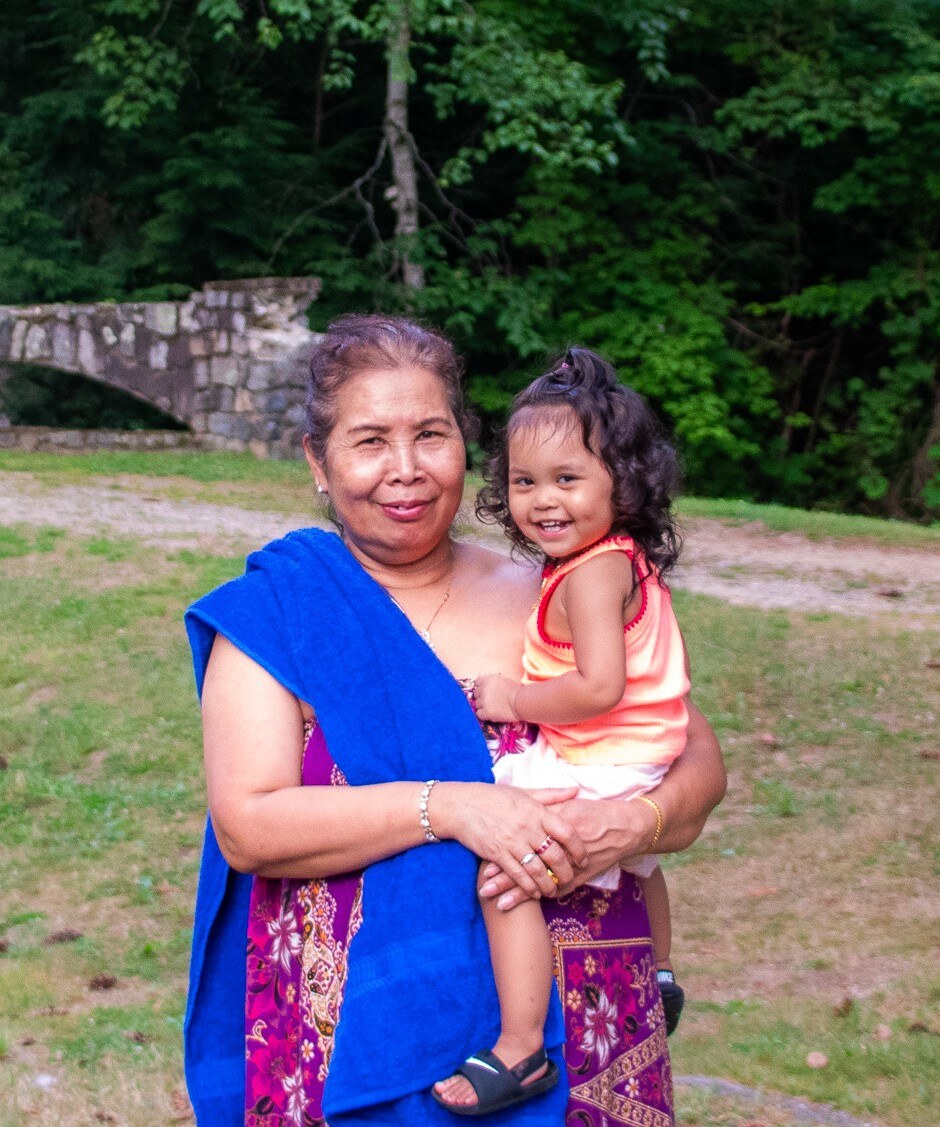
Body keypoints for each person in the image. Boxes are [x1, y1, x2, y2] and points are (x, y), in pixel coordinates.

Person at [183, 314, 726, 1124]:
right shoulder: (282, 616)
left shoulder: (550, 591)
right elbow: (250, 828)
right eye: (369, 440)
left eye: (429, 435)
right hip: (346, 1035)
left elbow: (692, 758)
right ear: (317, 462)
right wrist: (453, 804)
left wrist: (630, 823)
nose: (404, 470)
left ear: (466, 446)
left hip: (580, 1027)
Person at [432, 348, 691, 1115]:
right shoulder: (610, 558)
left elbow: (598, 686)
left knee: (503, 869)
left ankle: (518, 1048)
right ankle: (662, 971)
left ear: (625, 481)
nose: (543, 500)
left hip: (609, 749)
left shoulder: (589, 574)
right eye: (523, 481)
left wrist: (510, 696)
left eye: (567, 479)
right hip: (643, 748)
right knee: (638, 862)